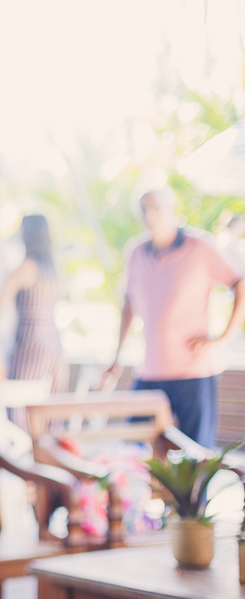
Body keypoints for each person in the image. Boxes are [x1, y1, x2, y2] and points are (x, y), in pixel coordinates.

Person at [103, 188, 245, 448]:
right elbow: (129, 304)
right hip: (151, 370)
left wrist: (223, 337)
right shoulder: (136, 251)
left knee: (196, 454)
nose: (149, 215)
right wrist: (117, 357)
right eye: (144, 209)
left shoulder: (200, 245)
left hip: (193, 371)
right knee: (133, 448)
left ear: (173, 210)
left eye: (156, 207)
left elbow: (240, 283)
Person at [0, 215, 66, 427]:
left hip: (31, 341)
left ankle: (22, 457)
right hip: (53, 341)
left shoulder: (25, 268)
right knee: (48, 409)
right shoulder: (51, 269)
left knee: (15, 404)